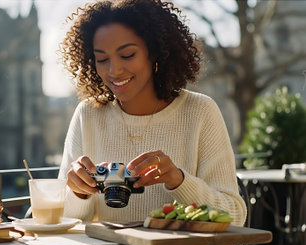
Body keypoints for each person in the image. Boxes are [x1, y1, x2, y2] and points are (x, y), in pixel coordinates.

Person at [57, 0, 246, 227]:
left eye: (127, 55)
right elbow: (61, 221)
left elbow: (235, 216)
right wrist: (79, 193)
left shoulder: (200, 111)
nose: (113, 70)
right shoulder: (88, 114)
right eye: (102, 59)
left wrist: (180, 181)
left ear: (155, 52)